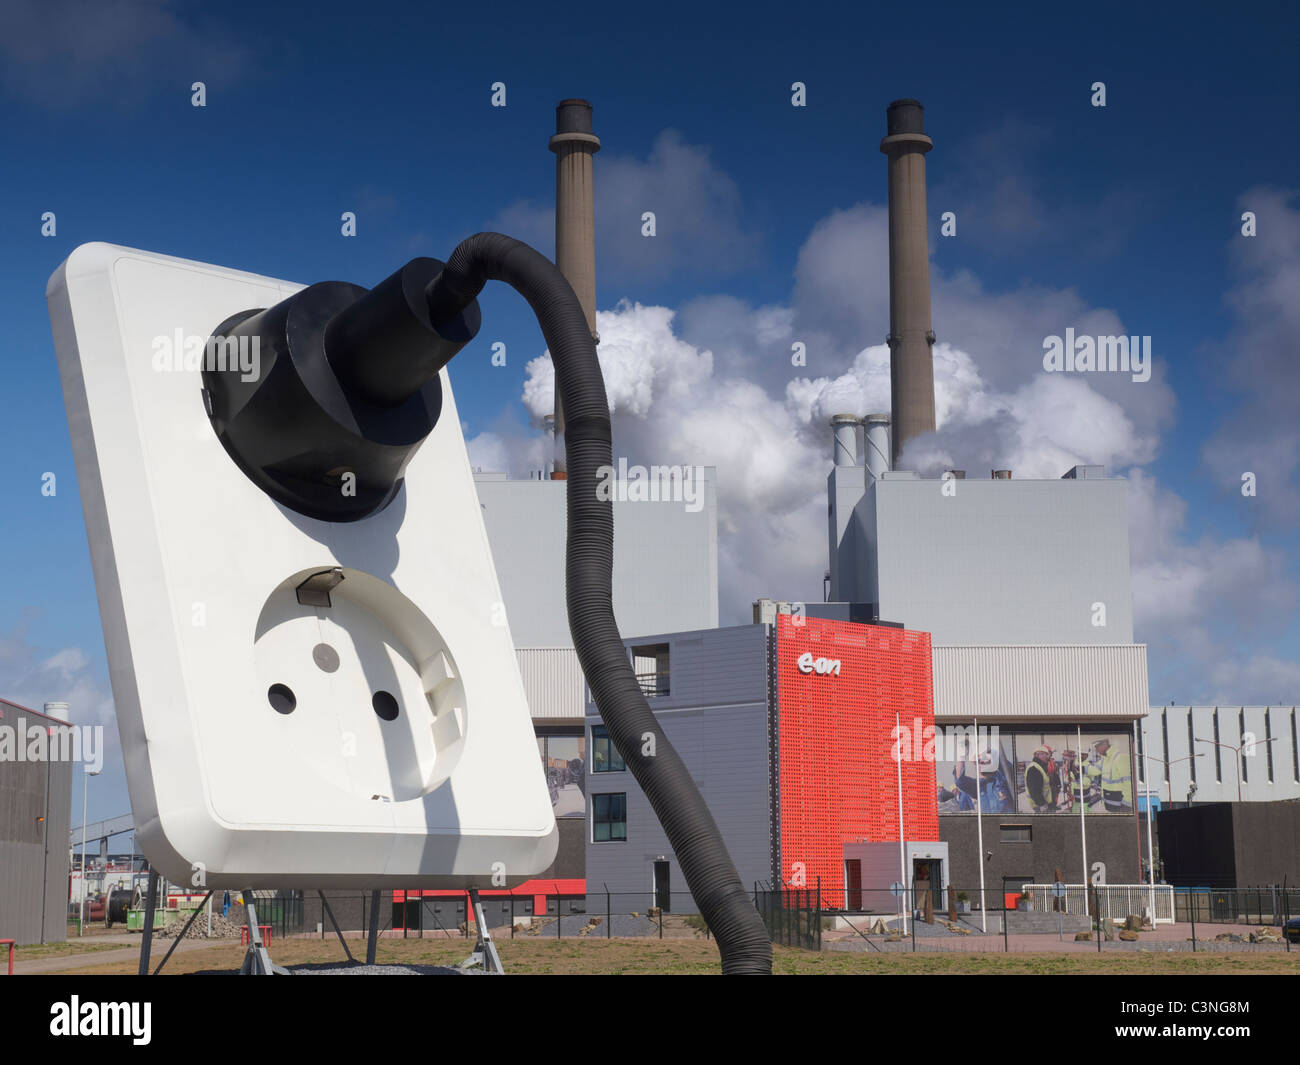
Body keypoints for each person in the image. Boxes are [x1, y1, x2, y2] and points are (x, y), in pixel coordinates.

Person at [1096, 737, 1133, 812]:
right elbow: (1094, 770)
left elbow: (1128, 782)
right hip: (1109, 805)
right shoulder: (1105, 759)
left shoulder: (1120, 756)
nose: (1096, 750)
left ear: (1104, 744)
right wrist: (1080, 768)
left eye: (1097, 747)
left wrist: (1127, 804)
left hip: (1121, 807)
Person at [1025, 745, 1056, 813]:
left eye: (1047, 754)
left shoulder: (1041, 766)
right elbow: (1034, 790)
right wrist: (1042, 804)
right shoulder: (1034, 768)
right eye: (1044, 754)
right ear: (1037, 755)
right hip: (1040, 806)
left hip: (1046, 803)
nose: (1047, 756)